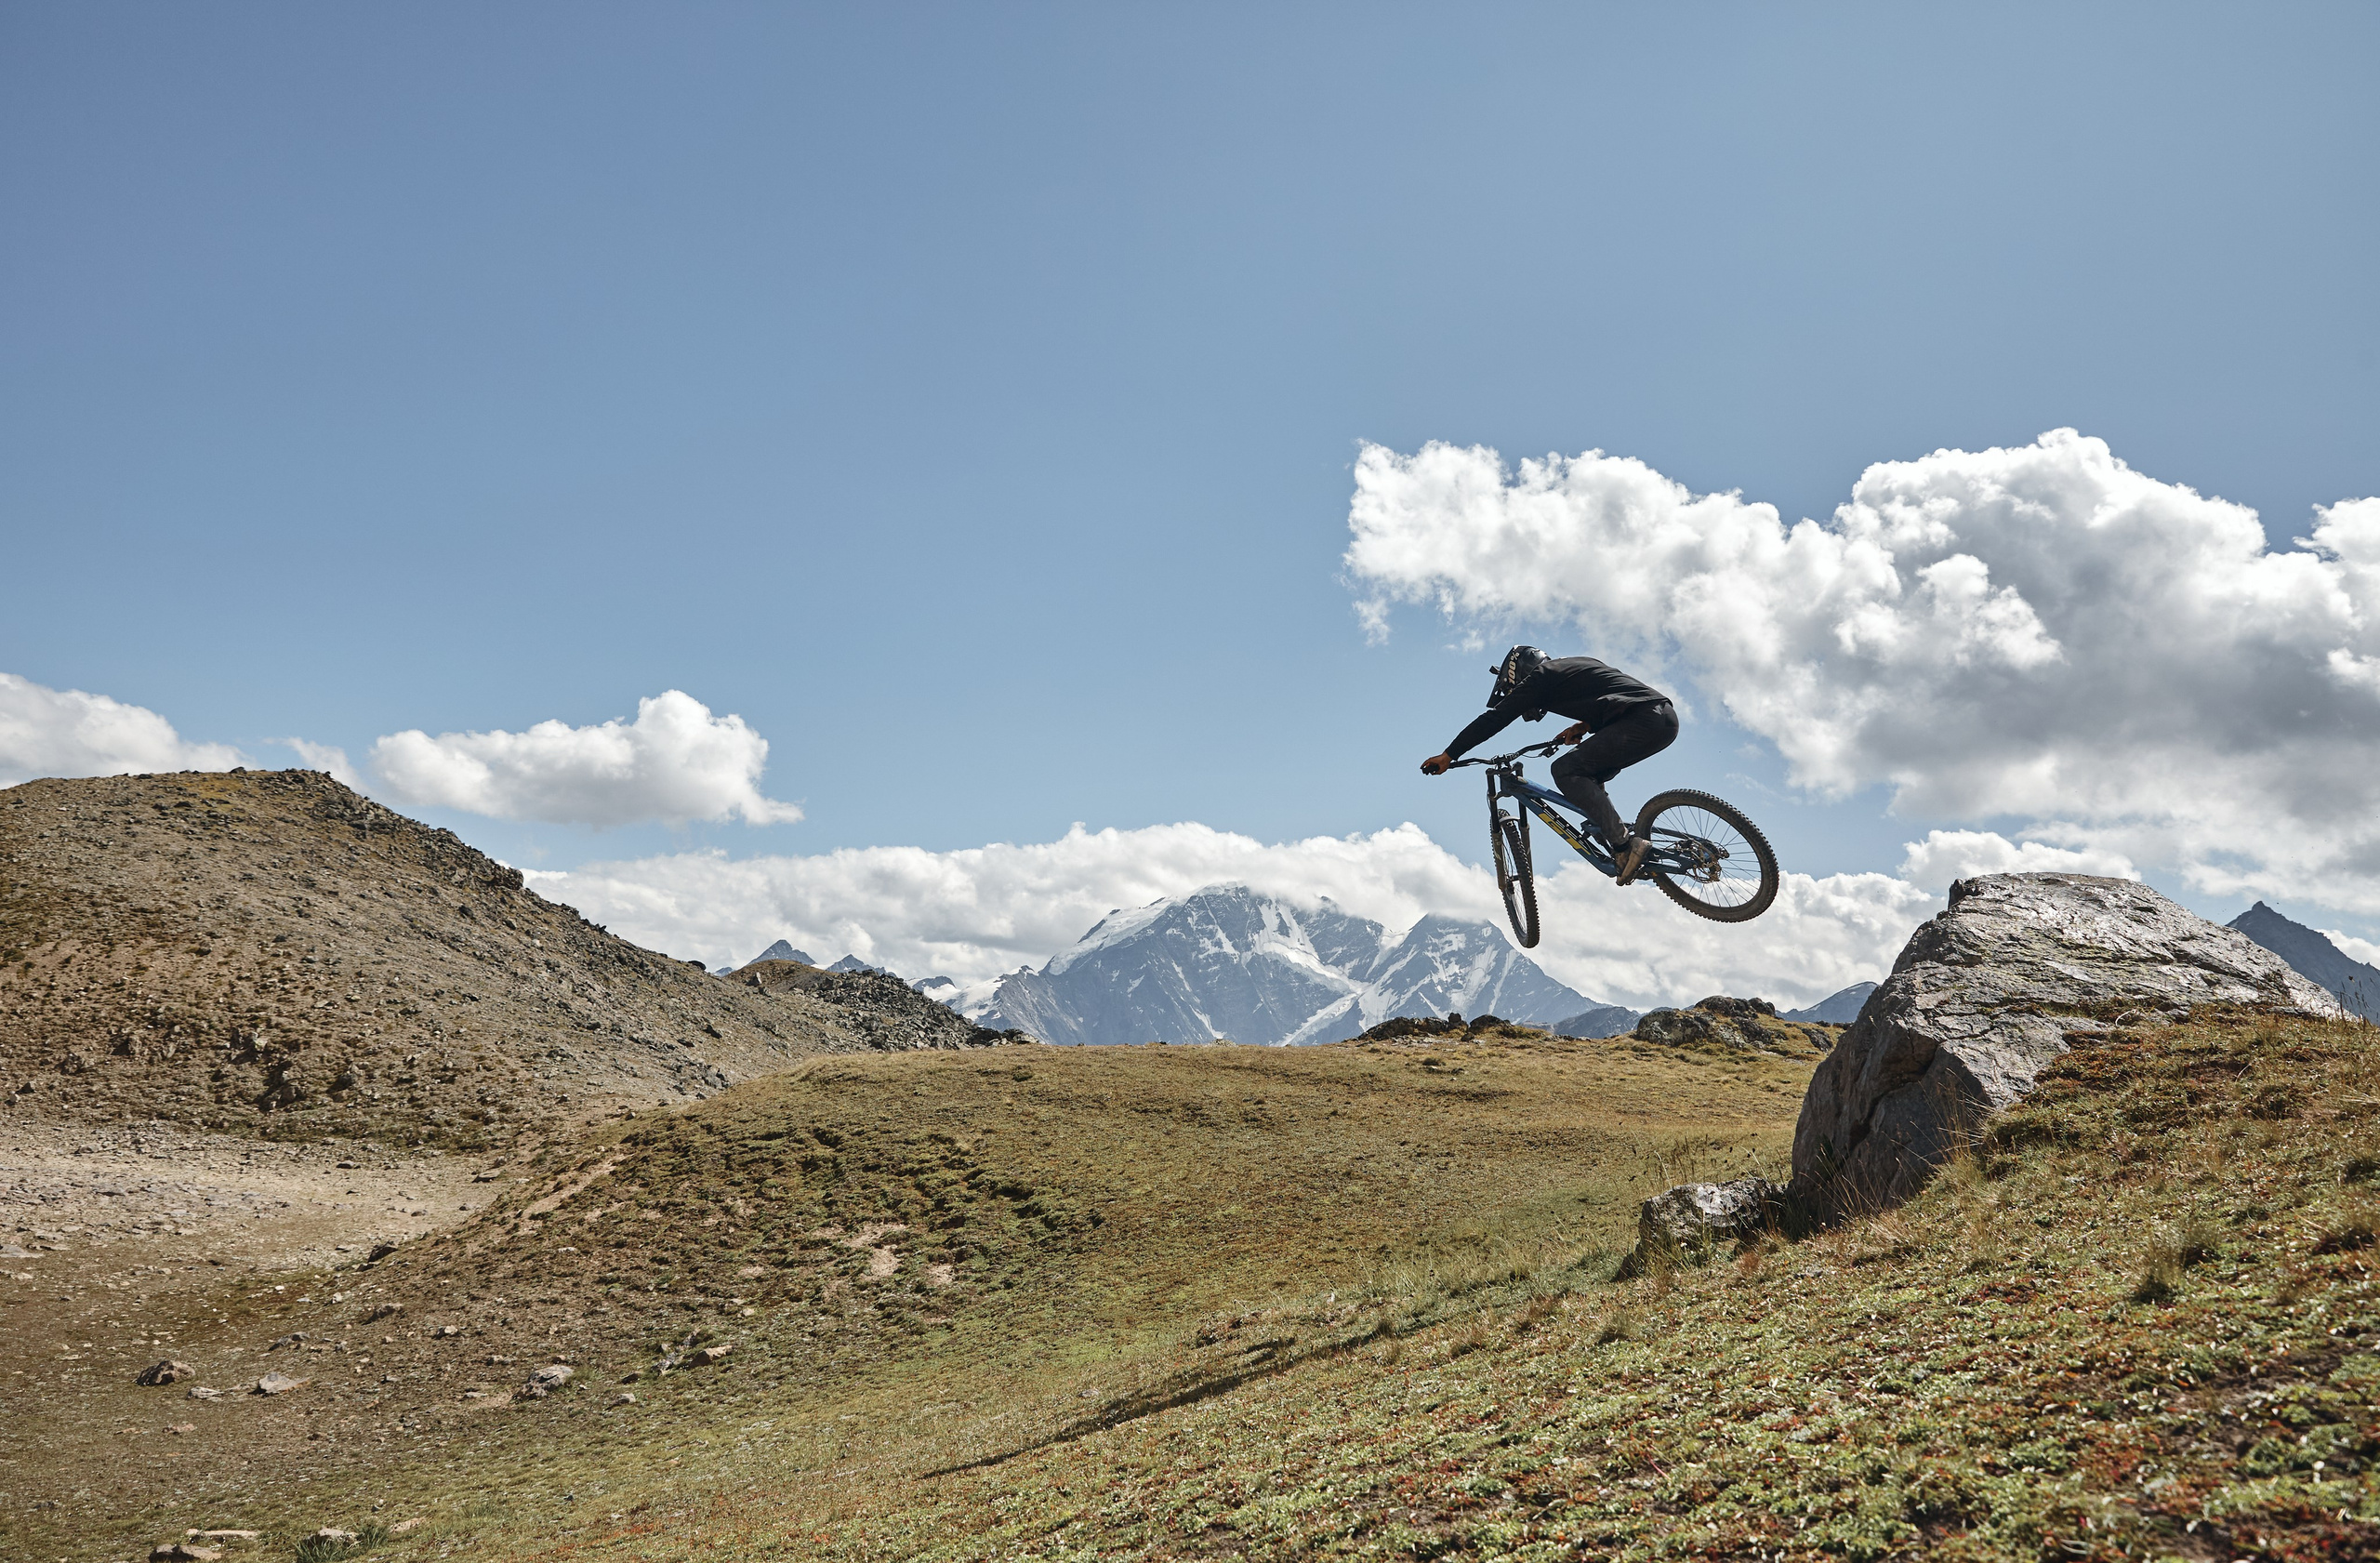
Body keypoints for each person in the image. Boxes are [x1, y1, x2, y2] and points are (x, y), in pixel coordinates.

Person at [1420, 645, 1678, 884]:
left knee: (1565, 770)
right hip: (1662, 719)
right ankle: (1611, 831)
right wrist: (1585, 726)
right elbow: (1613, 696)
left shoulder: (1541, 677)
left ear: (1519, 673)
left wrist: (1449, 755)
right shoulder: (1572, 666)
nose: (1517, 693)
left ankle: (1624, 846)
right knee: (1587, 772)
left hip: (1644, 720)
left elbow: (1495, 719)